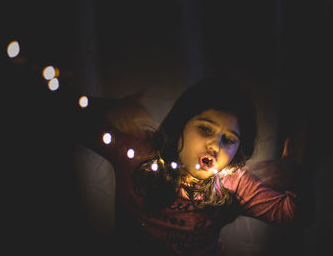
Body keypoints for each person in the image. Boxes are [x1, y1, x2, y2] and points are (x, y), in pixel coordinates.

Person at [72, 76, 312, 256]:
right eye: (205, 129)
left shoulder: (235, 184)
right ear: (180, 125)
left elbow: (292, 215)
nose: (214, 146)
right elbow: (63, 115)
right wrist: (105, 107)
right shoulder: (138, 150)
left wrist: (297, 180)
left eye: (228, 140)